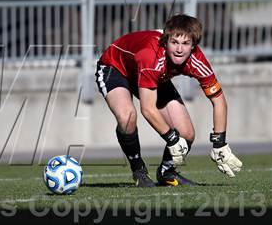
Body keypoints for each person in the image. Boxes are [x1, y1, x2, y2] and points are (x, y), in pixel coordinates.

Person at [95, 14, 242, 187]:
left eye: (185, 44)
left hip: (154, 76)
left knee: (186, 133)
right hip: (116, 68)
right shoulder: (151, 55)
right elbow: (148, 109)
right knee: (127, 116)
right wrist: (171, 138)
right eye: (175, 42)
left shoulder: (197, 60)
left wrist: (220, 143)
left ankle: (167, 172)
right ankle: (138, 170)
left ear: (194, 45)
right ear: (165, 41)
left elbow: (219, 100)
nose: (179, 49)